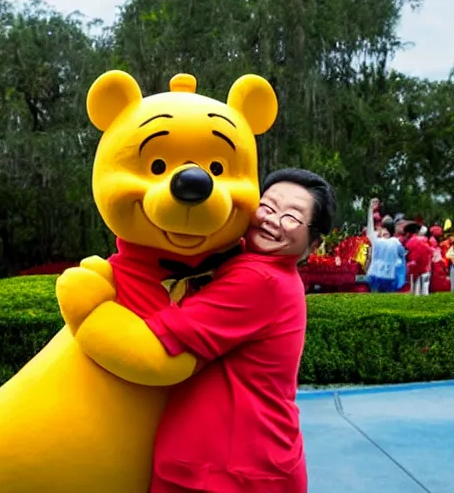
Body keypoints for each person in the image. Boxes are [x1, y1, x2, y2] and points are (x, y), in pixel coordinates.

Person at [126, 168, 335, 493]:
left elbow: (155, 339)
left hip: (226, 471)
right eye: (267, 206)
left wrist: (92, 311)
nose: (272, 220)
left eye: (292, 216)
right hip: (240, 462)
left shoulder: (260, 279)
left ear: (314, 243)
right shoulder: (254, 266)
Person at [365, 199, 405, 293]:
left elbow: (369, 229)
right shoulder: (396, 242)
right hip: (389, 276)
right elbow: (403, 254)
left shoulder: (376, 240)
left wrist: (370, 210)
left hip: (375, 275)